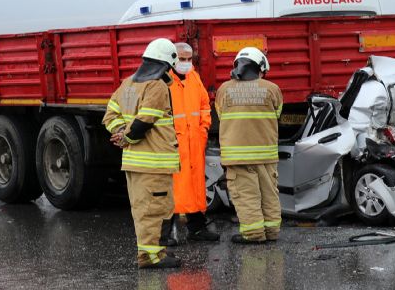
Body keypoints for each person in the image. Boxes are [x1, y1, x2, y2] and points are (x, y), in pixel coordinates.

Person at [102, 38, 182, 269]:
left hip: (134, 163)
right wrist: (128, 136)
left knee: (142, 210)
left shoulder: (127, 84)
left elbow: (110, 114)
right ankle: (152, 257)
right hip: (154, 162)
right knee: (156, 211)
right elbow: (146, 120)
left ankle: (150, 254)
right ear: (167, 63)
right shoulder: (156, 86)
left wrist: (119, 132)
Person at [215, 47, 283, 244]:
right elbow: (277, 114)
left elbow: (221, 115)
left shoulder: (224, 90)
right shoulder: (272, 89)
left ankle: (253, 234)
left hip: (238, 156)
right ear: (260, 67)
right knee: (269, 194)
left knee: (246, 195)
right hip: (266, 154)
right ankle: (271, 232)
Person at [168, 42, 219, 242]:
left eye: (189, 59)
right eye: (182, 59)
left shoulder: (194, 78)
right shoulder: (165, 82)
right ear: (173, 58)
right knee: (173, 187)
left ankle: (196, 227)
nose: (186, 63)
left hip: (194, 142)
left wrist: (204, 129)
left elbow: (204, 106)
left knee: (195, 186)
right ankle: (166, 234)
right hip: (175, 143)